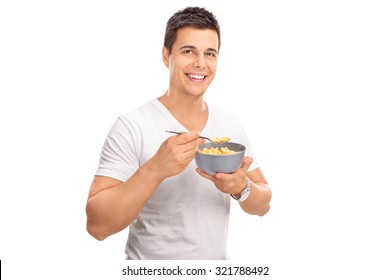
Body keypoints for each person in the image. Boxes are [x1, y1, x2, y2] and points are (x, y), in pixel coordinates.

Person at [86, 6, 272, 260]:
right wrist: (155, 170)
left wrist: (242, 187)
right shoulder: (132, 126)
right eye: (188, 51)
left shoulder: (230, 125)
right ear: (166, 56)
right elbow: (97, 226)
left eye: (210, 53)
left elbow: (263, 205)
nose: (201, 63)